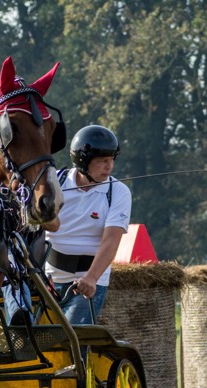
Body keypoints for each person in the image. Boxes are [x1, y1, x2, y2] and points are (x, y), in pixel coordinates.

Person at [43, 125, 132, 325]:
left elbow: (111, 241)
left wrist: (91, 278)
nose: (109, 167)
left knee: (72, 342)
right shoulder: (54, 182)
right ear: (83, 161)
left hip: (87, 283)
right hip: (49, 280)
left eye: (112, 160)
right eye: (102, 161)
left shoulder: (118, 192)